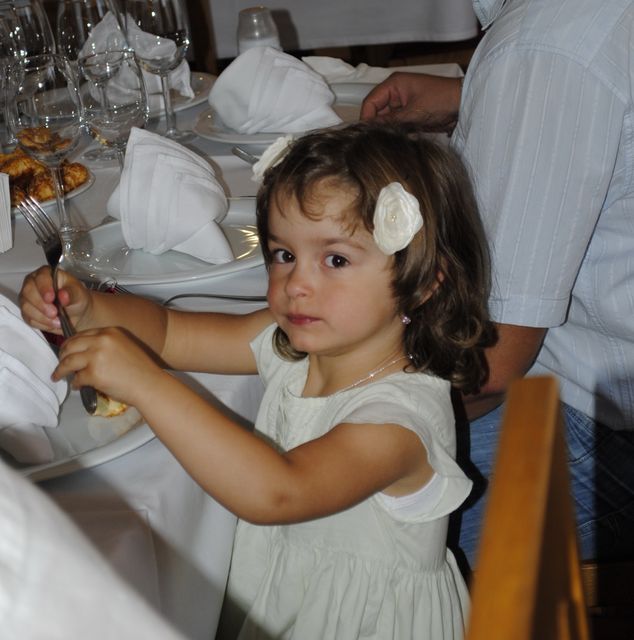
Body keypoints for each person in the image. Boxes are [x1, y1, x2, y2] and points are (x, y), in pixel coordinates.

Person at [20, 122, 495, 640]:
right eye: (284, 255)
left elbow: (278, 492)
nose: (297, 284)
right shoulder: (295, 347)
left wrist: (146, 384)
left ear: (423, 283)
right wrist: (89, 307)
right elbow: (173, 332)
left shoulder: (400, 422)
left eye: (335, 260)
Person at [361, 0, 634, 568]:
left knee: (347, 534)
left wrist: (337, 401)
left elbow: (490, 360)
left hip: (603, 430)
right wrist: (476, 93)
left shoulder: (548, 43)